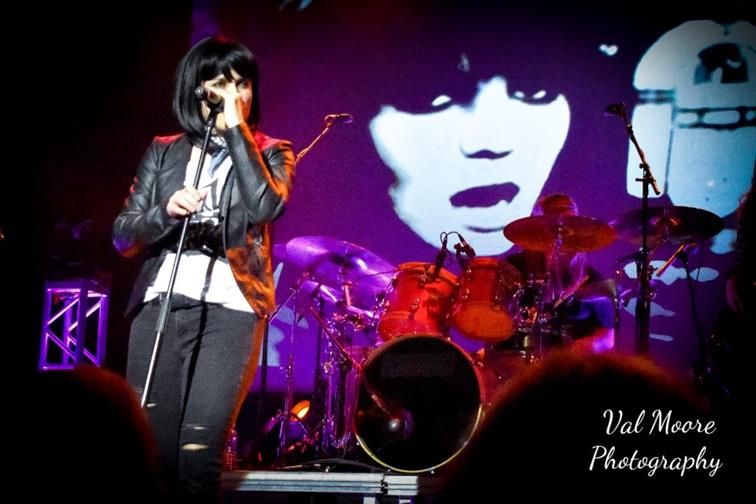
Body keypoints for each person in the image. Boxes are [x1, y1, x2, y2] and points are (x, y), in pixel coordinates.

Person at [112, 36, 295, 501]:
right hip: (161, 305)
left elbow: (265, 205)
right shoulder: (164, 151)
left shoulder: (272, 150)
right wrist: (165, 212)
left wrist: (237, 134)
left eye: (243, 83)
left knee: (198, 454)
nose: (235, 93)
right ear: (198, 90)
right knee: (152, 455)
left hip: (231, 310)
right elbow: (123, 235)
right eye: (221, 83)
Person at [501, 193, 615, 355]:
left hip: (567, 365)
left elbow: (607, 337)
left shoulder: (591, 279)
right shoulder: (514, 268)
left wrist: (582, 347)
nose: (560, 239)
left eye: (567, 231)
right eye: (554, 232)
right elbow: (492, 318)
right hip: (515, 357)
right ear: (538, 233)